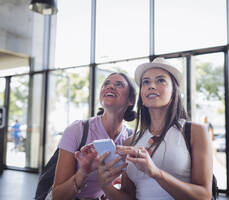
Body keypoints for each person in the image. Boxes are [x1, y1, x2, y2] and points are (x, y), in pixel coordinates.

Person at [88, 57, 213, 200]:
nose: (151, 86)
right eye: (146, 82)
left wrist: (155, 173)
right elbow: (128, 197)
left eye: (160, 80)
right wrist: (106, 186)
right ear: (141, 93)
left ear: (174, 92)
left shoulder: (194, 132)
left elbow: (204, 196)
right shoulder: (131, 142)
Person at [51, 72, 136, 200]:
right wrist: (83, 172)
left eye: (119, 84)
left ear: (130, 100)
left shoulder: (131, 139)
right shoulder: (77, 130)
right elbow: (57, 196)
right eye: (106, 84)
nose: (110, 86)